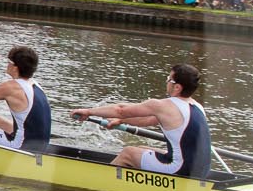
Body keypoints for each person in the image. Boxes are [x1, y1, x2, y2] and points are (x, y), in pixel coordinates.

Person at [69, 64, 212, 179]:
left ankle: (98, 182)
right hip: (201, 171)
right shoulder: (196, 106)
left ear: (177, 87)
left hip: (181, 171)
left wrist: (88, 111)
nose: (167, 82)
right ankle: (132, 184)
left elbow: (120, 109)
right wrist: (121, 120)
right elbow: (149, 119)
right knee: (143, 149)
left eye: (169, 79)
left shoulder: (164, 105)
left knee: (128, 153)